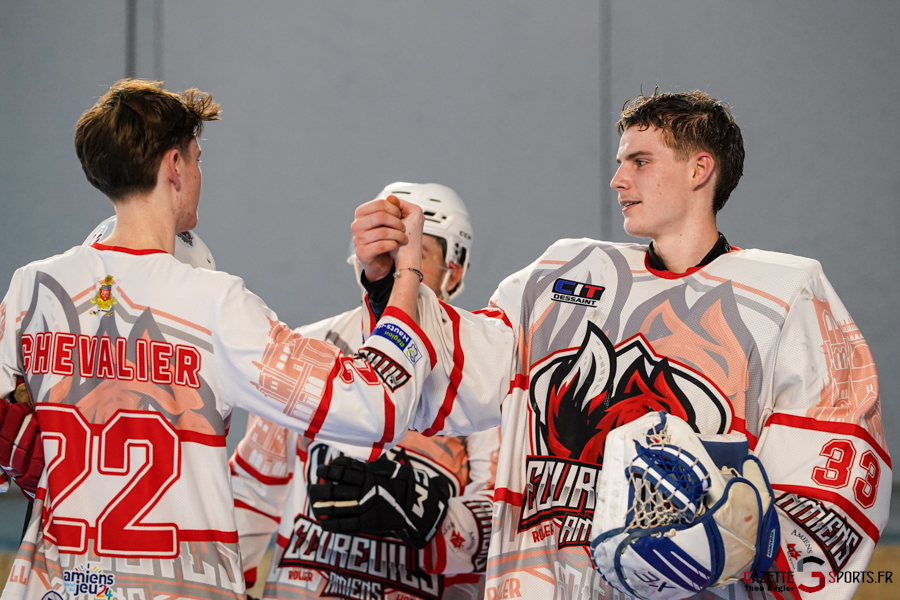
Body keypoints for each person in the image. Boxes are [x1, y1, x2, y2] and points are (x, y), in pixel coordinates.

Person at [349, 90, 889, 599]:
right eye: (619, 161)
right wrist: (394, 282)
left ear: (700, 169)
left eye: (639, 161)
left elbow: (831, 480)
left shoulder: (783, 295)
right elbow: (464, 362)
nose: (617, 179)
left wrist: (745, 531)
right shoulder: (562, 271)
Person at [0, 79, 447, 600]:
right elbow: (374, 404)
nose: (197, 174)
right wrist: (405, 275)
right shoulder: (216, 304)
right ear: (174, 168)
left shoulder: (35, 287)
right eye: (196, 159)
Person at [230, 182, 500, 600]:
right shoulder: (309, 348)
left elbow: (501, 532)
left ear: (455, 268)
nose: (396, 265)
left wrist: (417, 506)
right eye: (384, 249)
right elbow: (253, 491)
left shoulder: (482, 375)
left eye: (416, 253)